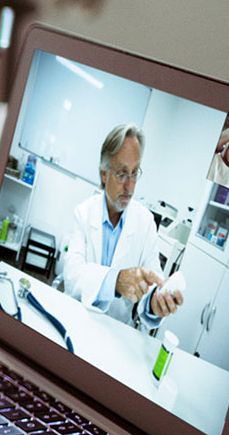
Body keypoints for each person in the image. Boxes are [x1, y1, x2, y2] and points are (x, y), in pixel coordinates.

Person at [58, 124, 184, 328]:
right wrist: (115, 281)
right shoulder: (83, 213)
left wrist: (156, 302)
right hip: (76, 319)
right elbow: (72, 276)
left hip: (115, 330)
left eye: (135, 173)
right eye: (122, 174)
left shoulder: (145, 223)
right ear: (104, 174)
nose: (130, 186)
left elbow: (153, 280)